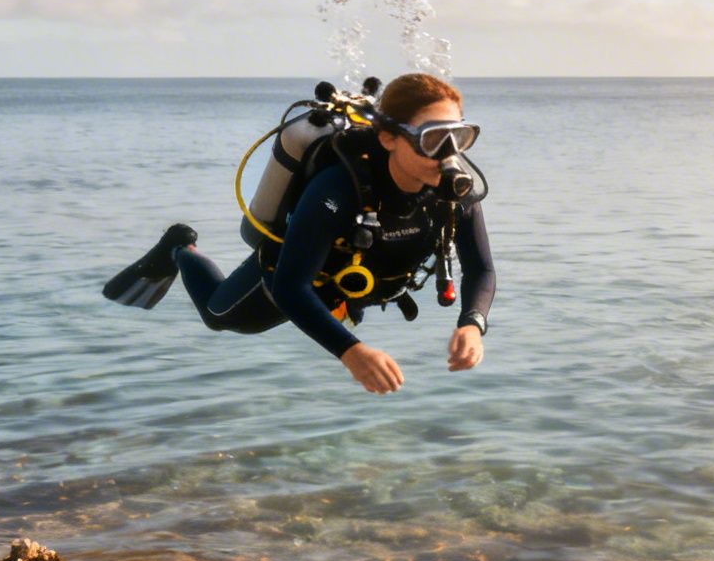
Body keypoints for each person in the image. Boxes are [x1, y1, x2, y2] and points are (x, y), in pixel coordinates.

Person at [102, 73, 496, 395]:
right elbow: (292, 288)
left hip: (356, 282)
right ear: (388, 138)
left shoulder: (455, 192)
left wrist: (472, 324)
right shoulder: (338, 190)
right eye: (431, 139)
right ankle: (179, 246)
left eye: (458, 137)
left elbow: (481, 269)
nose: (447, 155)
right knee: (220, 317)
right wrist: (351, 352)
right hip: (300, 272)